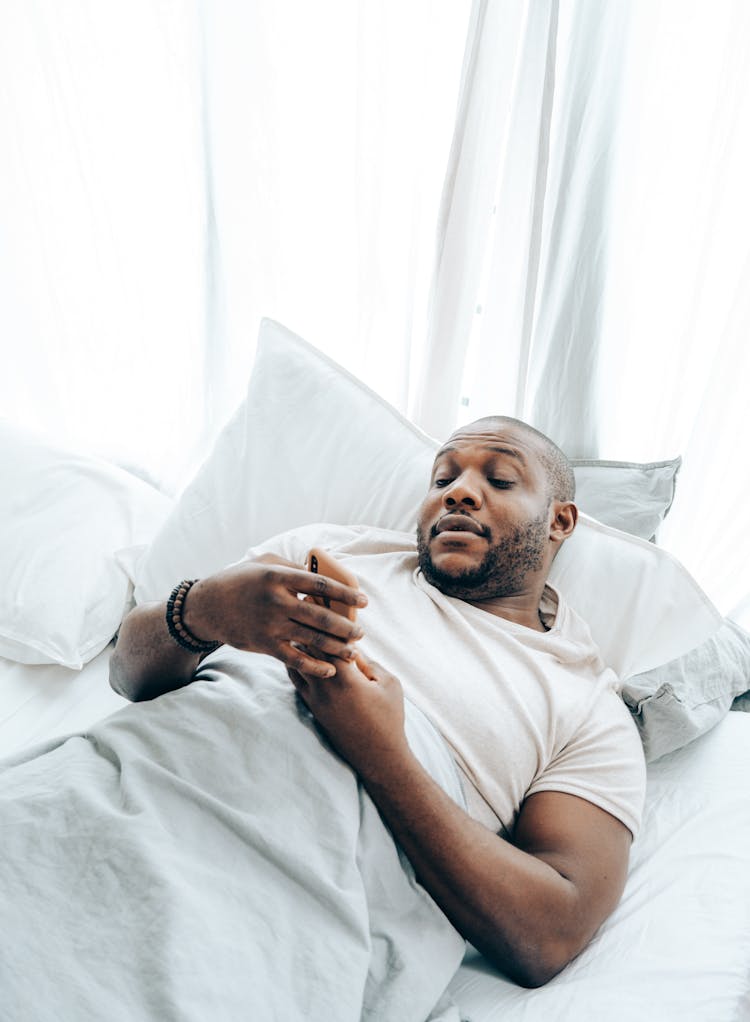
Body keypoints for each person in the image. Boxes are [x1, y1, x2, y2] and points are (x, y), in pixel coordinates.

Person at [111, 415, 646, 989]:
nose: (459, 492)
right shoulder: (331, 553)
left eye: (501, 480)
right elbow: (126, 672)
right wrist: (199, 610)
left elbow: (550, 936)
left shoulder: (588, 706)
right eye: (442, 479)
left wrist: (381, 753)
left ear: (560, 520)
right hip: (123, 788)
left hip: (257, 897)